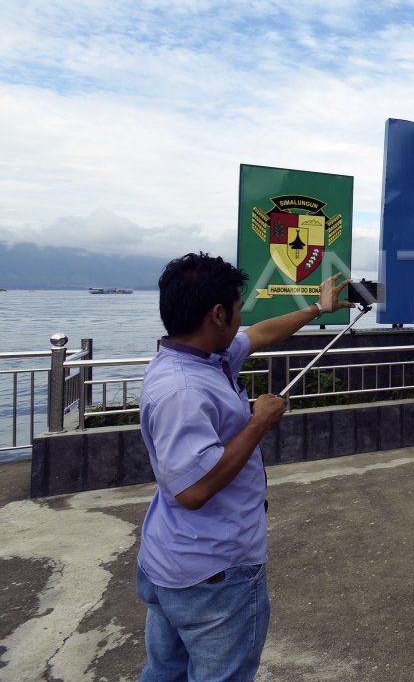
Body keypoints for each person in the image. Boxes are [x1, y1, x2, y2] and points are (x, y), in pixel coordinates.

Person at [137, 253, 352, 682]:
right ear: (217, 314)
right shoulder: (183, 390)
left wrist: (317, 310)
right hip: (213, 575)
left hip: (173, 563)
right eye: (237, 307)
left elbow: (259, 334)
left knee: (165, 673)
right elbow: (193, 491)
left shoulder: (202, 356)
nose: (242, 317)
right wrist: (258, 423)